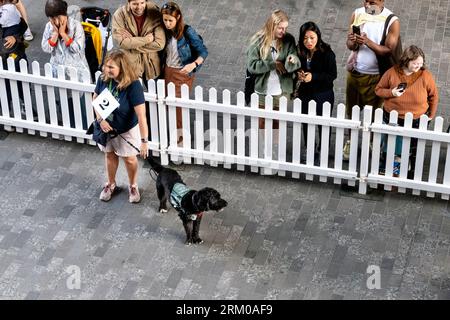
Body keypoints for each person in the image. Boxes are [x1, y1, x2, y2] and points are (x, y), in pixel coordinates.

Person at [344, 0, 400, 159]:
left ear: (382, 1)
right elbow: (349, 45)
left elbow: (389, 50)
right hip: (355, 73)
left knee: (375, 114)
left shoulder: (392, 21)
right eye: (366, 1)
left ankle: (371, 142)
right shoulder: (357, 14)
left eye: (372, 1)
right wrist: (352, 42)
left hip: (377, 77)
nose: (368, 4)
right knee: (351, 111)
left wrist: (367, 42)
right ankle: (350, 141)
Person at [93, 49, 149, 203]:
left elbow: (141, 116)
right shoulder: (103, 78)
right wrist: (100, 120)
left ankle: (133, 185)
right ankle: (111, 184)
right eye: (106, 65)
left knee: (130, 159)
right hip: (107, 127)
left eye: (111, 67)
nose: (107, 69)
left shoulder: (133, 85)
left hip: (126, 129)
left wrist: (144, 141)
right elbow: (95, 97)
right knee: (109, 155)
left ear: (122, 68)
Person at [375, 45, 438, 175]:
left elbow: (434, 96)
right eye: (415, 63)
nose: (418, 66)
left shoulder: (425, 75)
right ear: (406, 60)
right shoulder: (392, 73)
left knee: (413, 147)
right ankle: (387, 167)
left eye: (420, 63)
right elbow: (378, 90)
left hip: (417, 119)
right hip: (393, 117)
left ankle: (411, 170)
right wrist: (392, 92)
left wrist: (431, 115)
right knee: (390, 145)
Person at [160, 1, 208, 144]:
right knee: (170, 105)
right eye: (165, 20)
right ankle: (177, 135)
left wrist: (193, 64)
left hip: (182, 72)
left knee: (178, 108)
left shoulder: (187, 31)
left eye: (170, 20)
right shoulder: (164, 32)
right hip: (167, 71)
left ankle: (180, 140)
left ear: (178, 17)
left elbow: (203, 52)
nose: (167, 24)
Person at [246, 9, 300, 130]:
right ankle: (262, 147)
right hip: (262, 91)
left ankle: (274, 148)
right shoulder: (257, 41)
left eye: (285, 28)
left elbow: (294, 60)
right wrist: (273, 64)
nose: (284, 31)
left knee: (277, 124)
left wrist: (292, 59)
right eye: (281, 28)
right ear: (272, 25)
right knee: (262, 123)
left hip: (281, 91)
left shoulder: (288, 39)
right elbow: (252, 65)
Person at [293, 21, 336, 153]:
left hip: (323, 94)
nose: (309, 41)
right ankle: (309, 148)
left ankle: (323, 150)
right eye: (305, 38)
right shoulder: (300, 51)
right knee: (306, 123)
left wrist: (313, 76)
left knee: (323, 124)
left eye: (312, 38)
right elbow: (296, 68)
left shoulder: (327, 53)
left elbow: (332, 75)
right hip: (305, 93)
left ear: (318, 36)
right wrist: (298, 74)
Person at [112, 0, 166, 84]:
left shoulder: (155, 13)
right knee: (132, 94)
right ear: (128, 2)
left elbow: (159, 44)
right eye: (135, 4)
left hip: (152, 64)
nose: (139, 7)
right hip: (130, 65)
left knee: (155, 94)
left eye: (142, 3)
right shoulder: (119, 15)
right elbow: (121, 43)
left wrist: (132, 43)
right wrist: (146, 40)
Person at [41, 0, 90, 81]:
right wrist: (55, 34)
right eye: (52, 18)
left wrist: (63, 34)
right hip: (57, 69)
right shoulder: (49, 26)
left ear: (65, 14)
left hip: (76, 71)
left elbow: (77, 48)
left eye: (59, 17)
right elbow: (45, 48)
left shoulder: (76, 26)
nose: (56, 22)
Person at [0, 0, 28, 113]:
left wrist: (15, 37)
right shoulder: (11, 10)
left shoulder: (10, 10)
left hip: (12, 56)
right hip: (11, 56)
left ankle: (22, 105)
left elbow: (22, 26)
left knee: (17, 83)